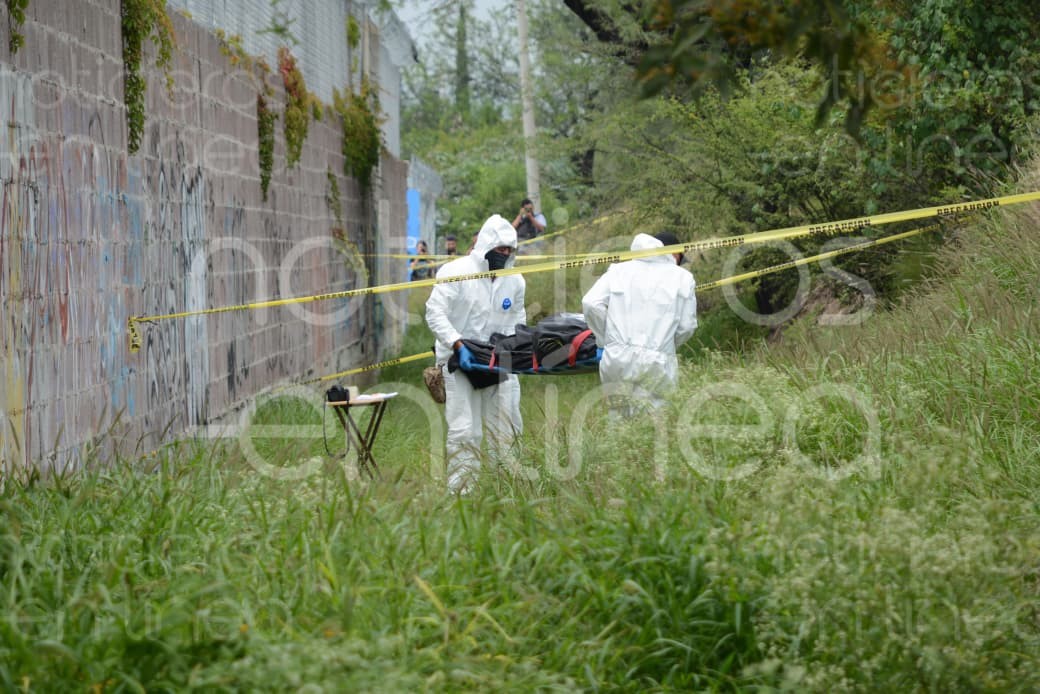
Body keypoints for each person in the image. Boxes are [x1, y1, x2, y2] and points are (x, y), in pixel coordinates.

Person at [426, 215, 527, 493]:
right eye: (500, 249)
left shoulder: (514, 280)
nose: (504, 254)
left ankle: (504, 488)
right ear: (486, 245)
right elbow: (434, 313)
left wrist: (514, 349)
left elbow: (517, 318)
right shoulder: (454, 271)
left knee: (507, 426)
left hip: (497, 360)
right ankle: (462, 494)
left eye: (509, 250)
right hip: (459, 361)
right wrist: (456, 343)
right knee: (464, 430)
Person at [581, 231, 697, 411]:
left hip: (616, 358)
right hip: (657, 361)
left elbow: (590, 303)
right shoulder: (682, 278)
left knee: (619, 420)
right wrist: (666, 345)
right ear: (675, 254)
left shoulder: (618, 270)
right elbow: (687, 327)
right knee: (656, 425)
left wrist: (608, 339)